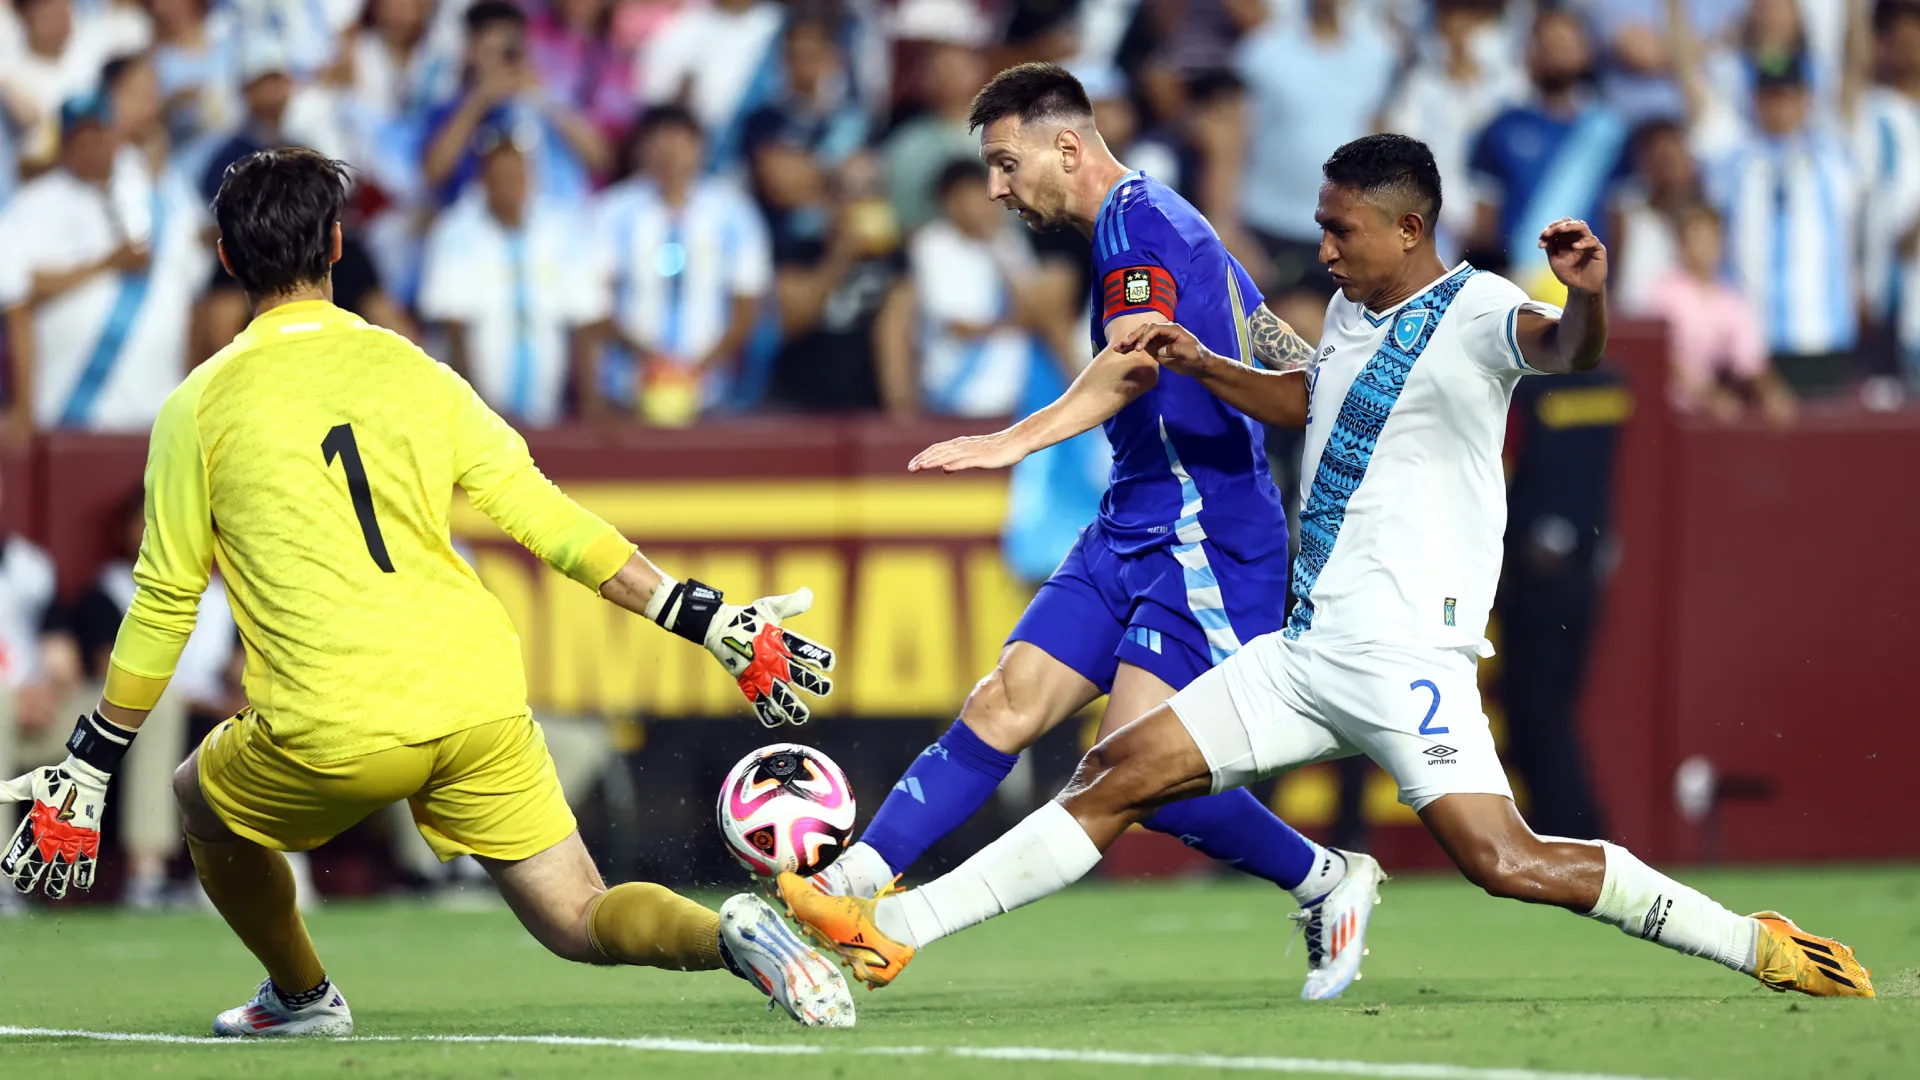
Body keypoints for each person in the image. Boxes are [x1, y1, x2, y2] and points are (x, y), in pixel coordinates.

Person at [779, 133, 1876, 1003]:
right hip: (1305, 654)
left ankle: (1751, 941)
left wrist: (1586, 294)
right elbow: (1307, 399)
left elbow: (1565, 351)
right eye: (1320, 226)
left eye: (1342, 231)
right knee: (1115, 775)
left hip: (1406, 660)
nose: (1326, 251)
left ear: (1410, 227)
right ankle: (895, 933)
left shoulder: (1483, 309)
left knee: (1509, 863)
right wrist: (1206, 361)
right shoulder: (1353, 309)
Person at [0, 147, 852, 1033]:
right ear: (335, 245)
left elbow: (169, 599)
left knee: (196, 796)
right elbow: (544, 517)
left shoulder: (196, 406)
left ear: (224, 258)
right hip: (475, 696)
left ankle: (300, 996)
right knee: (578, 914)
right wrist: (695, 614)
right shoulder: (416, 369)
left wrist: (92, 758)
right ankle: (732, 934)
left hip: (331, 725)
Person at [792, 64, 1384, 1003]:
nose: (994, 188)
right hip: (1132, 516)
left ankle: (1325, 877)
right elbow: (1257, 326)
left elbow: (1133, 367)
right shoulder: (1155, 223)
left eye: (1003, 162)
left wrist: (1011, 441)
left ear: (1066, 147)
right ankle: (841, 890)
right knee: (1003, 705)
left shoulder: (1138, 224)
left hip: (1207, 535)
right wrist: (1317, 376)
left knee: (1129, 772)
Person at [0, 91, 193, 440]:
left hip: (158, 409)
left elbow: (190, 285)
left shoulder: (152, 192)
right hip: (71, 410)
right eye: (81, 140)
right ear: (64, 146)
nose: (93, 148)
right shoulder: (33, 204)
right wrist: (108, 265)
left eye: (100, 136)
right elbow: (18, 291)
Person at [590, 106, 771, 423]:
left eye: (681, 145)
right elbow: (593, 304)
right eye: (660, 145)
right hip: (627, 391)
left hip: (711, 394)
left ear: (700, 149)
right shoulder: (611, 213)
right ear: (642, 150)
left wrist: (698, 367)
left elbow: (746, 308)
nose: (671, 157)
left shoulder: (734, 215)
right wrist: (649, 359)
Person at [418, 122, 606, 427]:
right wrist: (477, 417)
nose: (510, 185)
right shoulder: (455, 233)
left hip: (551, 411)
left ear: (531, 178)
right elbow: (454, 328)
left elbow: (583, 323)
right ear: (484, 180)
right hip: (480, 416)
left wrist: (590, 408)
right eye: (500, 177)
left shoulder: (562, 232)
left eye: (516, 176)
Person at [1639, 203, 1796, 426]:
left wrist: (1771, 393)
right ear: (1682, 244)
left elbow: (1749, 359)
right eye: (1697, 238)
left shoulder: (1731, 300)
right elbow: (1662, 358)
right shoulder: (1663, 294)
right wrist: (1708, 397)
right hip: (1664, 416)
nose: (1705, 247)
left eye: (1711, 238)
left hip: (1706, 418)